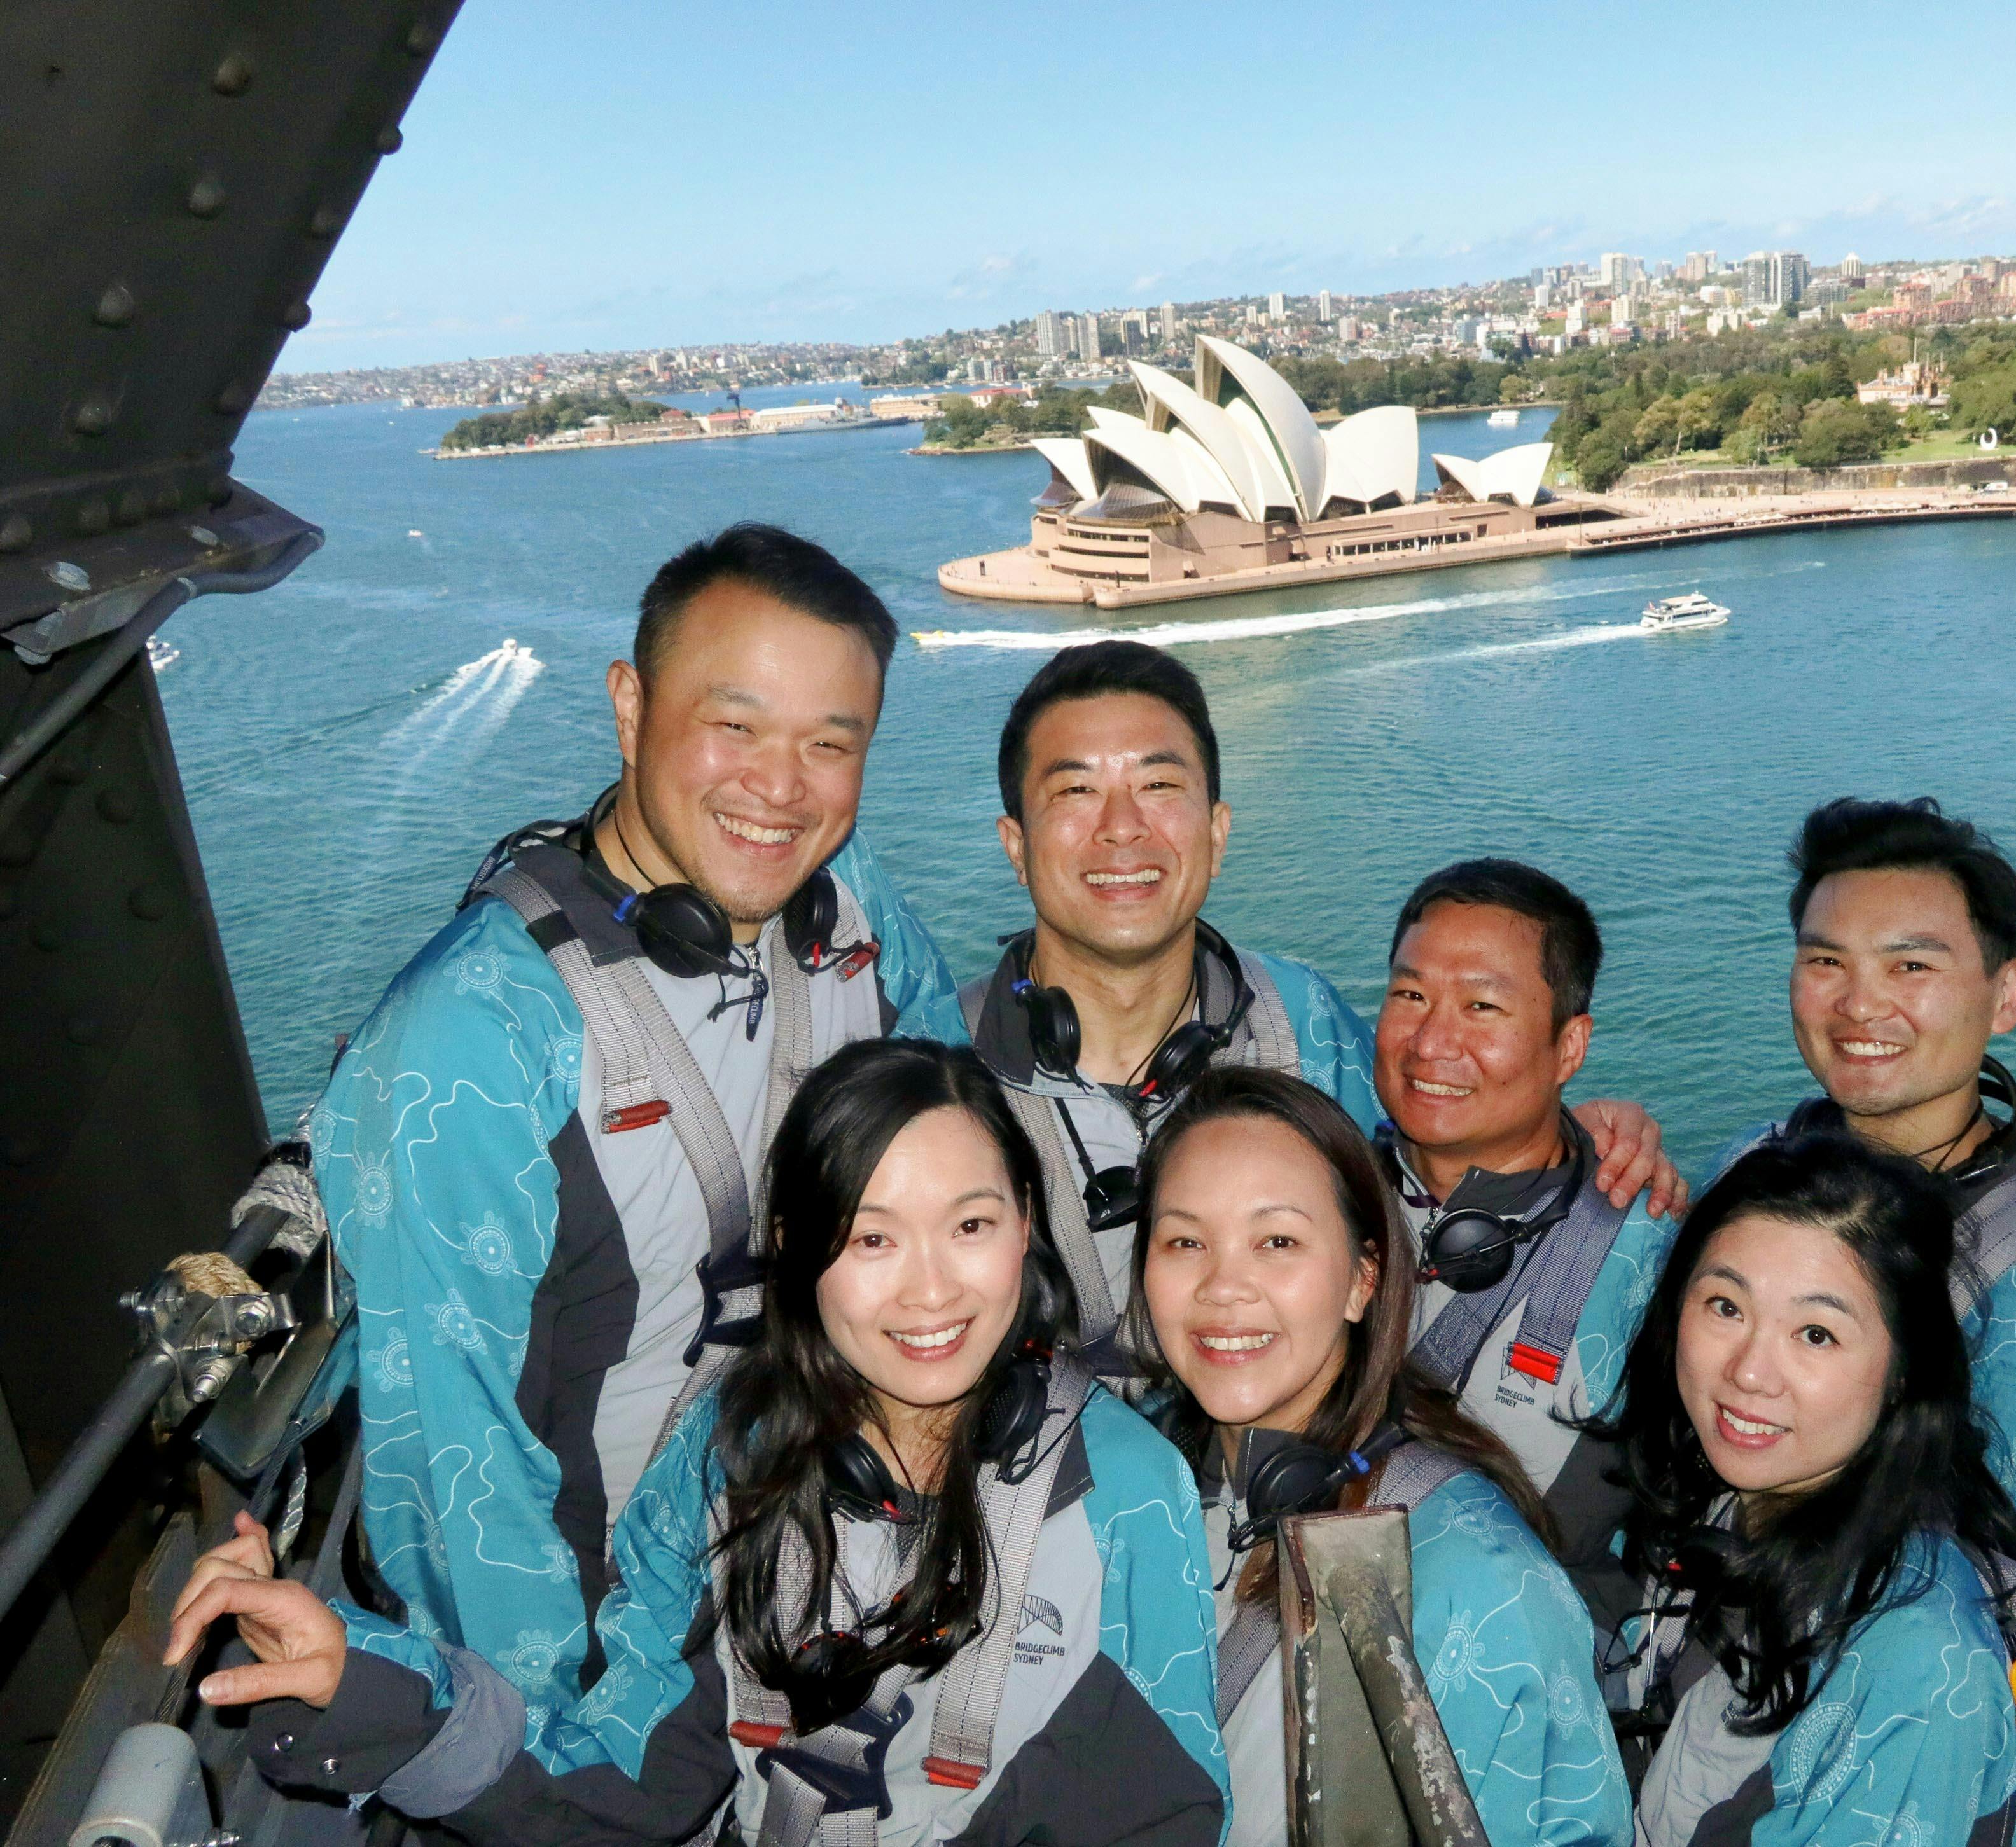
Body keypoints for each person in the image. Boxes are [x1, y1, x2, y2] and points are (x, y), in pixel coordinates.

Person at [168, 1039, 1227, 1844]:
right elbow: (626, 1773)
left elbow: (1158, 1813)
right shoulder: (735, 1458)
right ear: (791, 1253)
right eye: (869, 1235)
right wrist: (367, 1677)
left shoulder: (1125, 1492)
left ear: (1028, 1225)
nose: (932, 1286)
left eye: (971, 1223)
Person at [296, 525, 965, 1790]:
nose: (784, 788)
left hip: (834, 1559)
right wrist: (575, 1777)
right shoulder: (468, 1050)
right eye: (737, 725)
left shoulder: (849, 902)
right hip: (634, 1673)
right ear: (629, 703)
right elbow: (459, 1496)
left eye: (834, 743)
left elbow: (955, 1151)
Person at [965, 640, 1674, 1352]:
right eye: (1075, 790)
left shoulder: (1304, 1022)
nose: (1121, 826)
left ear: (1216, 833)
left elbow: (1434, 1139)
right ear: (1015, 846)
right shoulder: (936, 1062)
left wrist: (1579, 1143)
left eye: (1158, 786)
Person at [1718, 798, 2016, 1845]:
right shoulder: (1750, 1169)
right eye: (1824, 959)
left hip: (1904, 1766)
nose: (1858, 1002)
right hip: (1712, 1704)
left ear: (2003, 993)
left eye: (1911, 965)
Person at [1127, 1066, 1629, 1847]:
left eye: (1278, 1241)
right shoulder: (1138, 1485)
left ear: (1363, 1280)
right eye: (1185, 1240)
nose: (1223, 1286)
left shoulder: (1476, 1579)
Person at [1585, 1134, 2016, 1845]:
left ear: (1902, 1371)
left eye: (1814, 1334)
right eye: (1724, 1307)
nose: (1748, 1373)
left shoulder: (1918, 1667)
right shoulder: (1721, 1501)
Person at [1375, 860, 1684, 1523]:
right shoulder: (1320, 1195)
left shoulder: (1657, 1265)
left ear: (1568, 1047)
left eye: (1482, 1007)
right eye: (1409, 996)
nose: (1431, 1042)